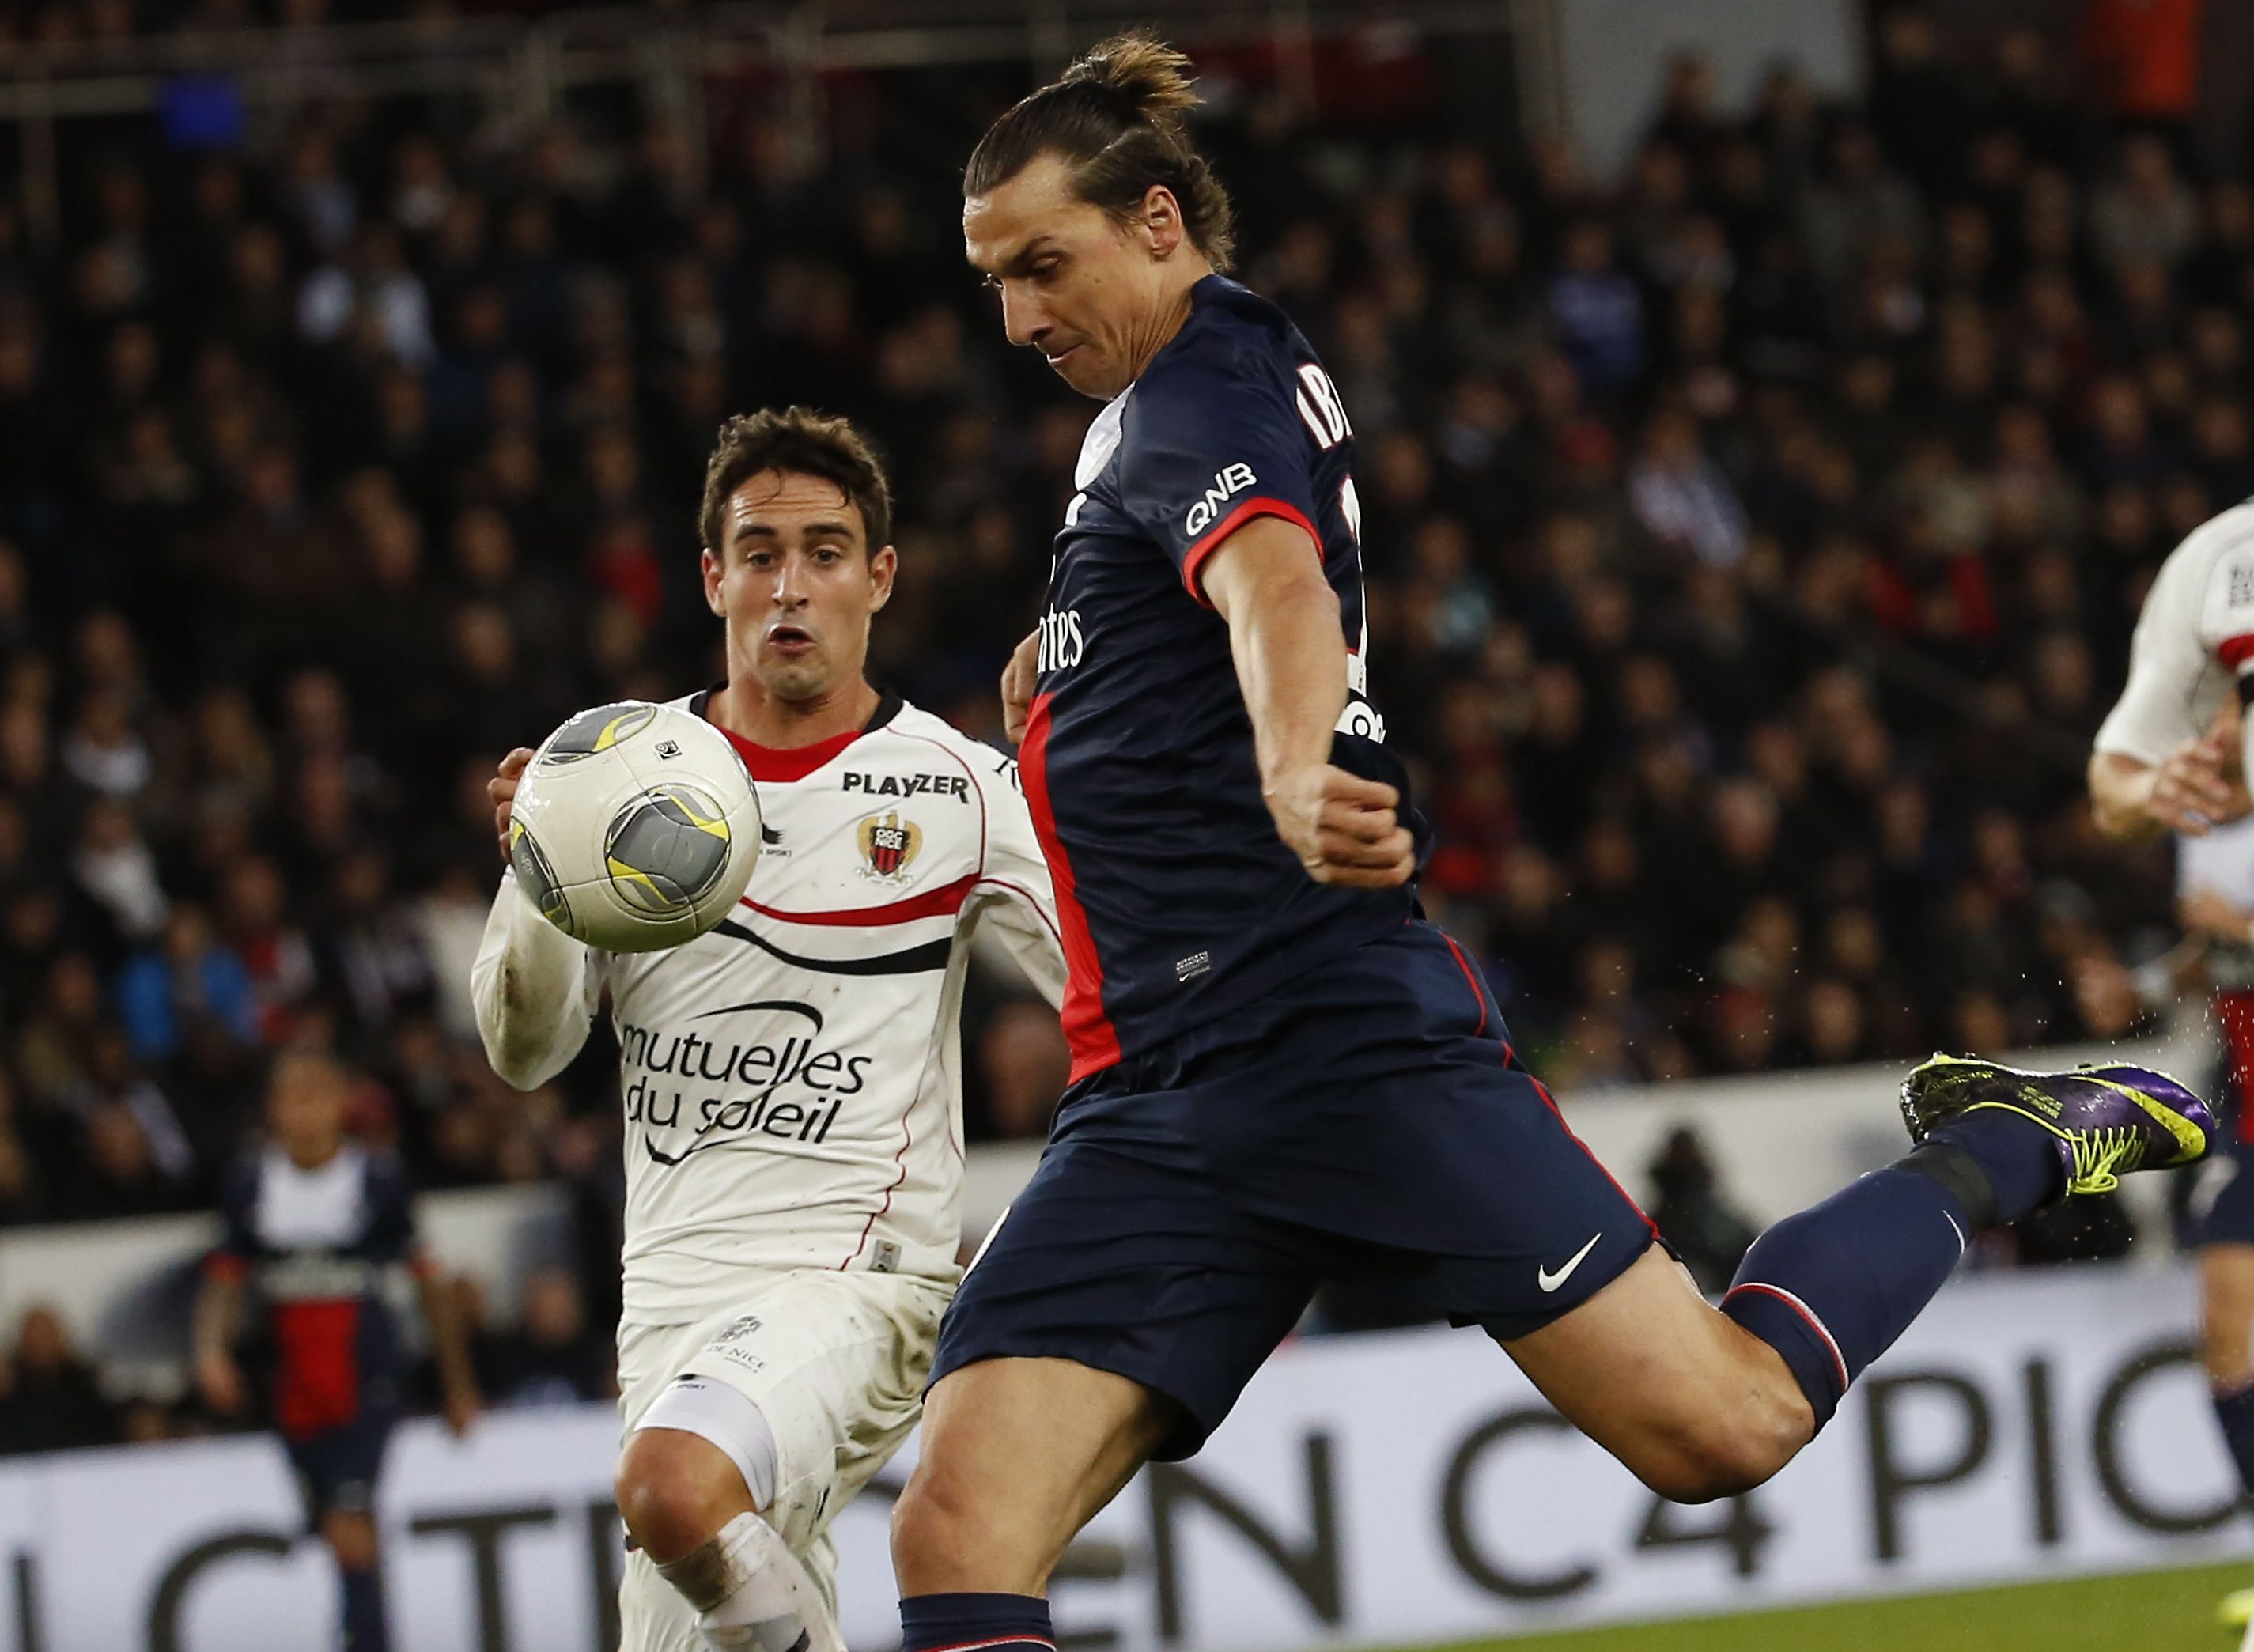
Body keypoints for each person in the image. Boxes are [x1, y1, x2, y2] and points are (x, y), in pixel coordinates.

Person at [884, 36, 2215, 1650]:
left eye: (1044, 265)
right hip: (1156, 1093)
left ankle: (2008, 1139)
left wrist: (1302, 765)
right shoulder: (1144, 427)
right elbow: (1200, 619)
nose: (1018, 319)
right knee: (959, 1524)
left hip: (1326, 1036)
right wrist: (1063, 687)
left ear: (1159, 223)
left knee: (1723, 1426)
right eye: (993, 283)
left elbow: (1276, 588)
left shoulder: (1198, 385)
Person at [471, 406, 1065, 1652]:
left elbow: (1114, 987)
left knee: (677, 1485)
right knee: (690, 1536)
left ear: (879, 578)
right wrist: (535, 864)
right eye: (758, 552)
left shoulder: (954, 786)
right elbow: (523, 1053)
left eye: (826, 551)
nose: (790, 585)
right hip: (673, 1315)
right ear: (713, 577)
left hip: (855, 1286)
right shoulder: (616, 780)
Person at [2086, 510, 2254, 1643]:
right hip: (2252, 1058)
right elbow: (2110, 785)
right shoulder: (2215, 562)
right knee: (2230, 1313)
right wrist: (2156, 794)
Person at [194, 1049, 480, 1652]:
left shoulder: (377, 1179)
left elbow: (428, 1283)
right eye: (291, 1098)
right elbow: (223, 1276)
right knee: (332, 1528)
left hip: (365, 1372)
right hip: (291, 1379)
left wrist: (456, 1382)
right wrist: (210, 1351)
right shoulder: (251, 1182)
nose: (304, 1112)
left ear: (340, 1104)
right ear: (273, 1109)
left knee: (352, 1525)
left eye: (316, 1095)